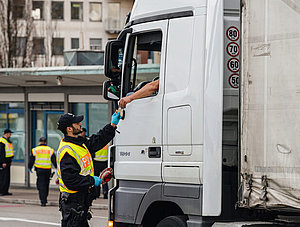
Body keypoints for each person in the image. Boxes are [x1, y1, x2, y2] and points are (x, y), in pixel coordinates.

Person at [56, 112, 121, 227]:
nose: (80, 124)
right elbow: (71, 180)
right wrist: (92, 180)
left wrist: (112, 125)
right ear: (69, 129)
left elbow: (97, 141)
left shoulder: (79, 143)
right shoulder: (67, 151)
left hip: (80, 202)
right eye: (77, 123)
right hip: (73, 203)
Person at [28, 137, 57, 206]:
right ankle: (45, 198)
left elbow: (31, 160)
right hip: (47, 169)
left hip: (39, 169)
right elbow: (54, 161)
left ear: (39, 142)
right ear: (46, 142)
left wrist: (29, 167)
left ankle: (43, 201)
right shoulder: (50, 150)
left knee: (41, 185)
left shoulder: (35, 150)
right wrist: (57, 168)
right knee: (46, 184)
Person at [0, 129, 14, 196]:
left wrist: (10, 161)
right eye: (9, 134)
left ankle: (5, 190)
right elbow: (1, 152)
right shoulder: (2, 141)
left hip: (8, 161)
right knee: (3, 177)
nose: (10, 135)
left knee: (7, 177)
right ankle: (2, 191)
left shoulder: (7, 141)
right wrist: (3, 162)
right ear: (6, 134)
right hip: (4, 162)